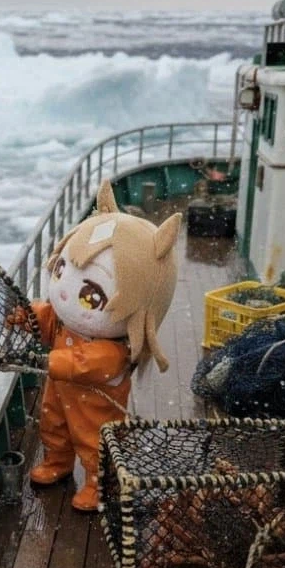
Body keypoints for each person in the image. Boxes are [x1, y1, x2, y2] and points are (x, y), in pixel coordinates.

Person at [29, 180, 181, 511]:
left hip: (93, 406)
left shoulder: (114, 349)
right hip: (59, 395)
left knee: (94, 441)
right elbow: (50, 318)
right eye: (61, 271)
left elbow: (89, 363)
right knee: (53, 426)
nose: (66, 294)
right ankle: (57, 461)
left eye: (91, 295)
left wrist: (57, 363)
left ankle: (99, 483)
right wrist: (29, 315)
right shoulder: (64, 319)